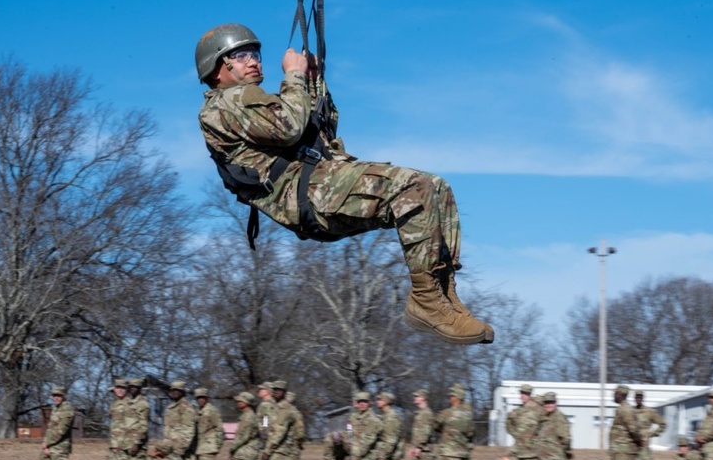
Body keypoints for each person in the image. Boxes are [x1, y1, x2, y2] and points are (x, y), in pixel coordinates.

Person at [195, 24, 493, 346]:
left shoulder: (258, 103)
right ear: (216, 69)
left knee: (437, 188)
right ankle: (426, 302)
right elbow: (290, 128)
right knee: (414, 188)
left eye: (254, 53)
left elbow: (322, 128)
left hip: (323, 183)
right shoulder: (224, 104)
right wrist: (294, 76)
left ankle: (442, 293)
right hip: (307, 196)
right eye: (240, 56)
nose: (253, 61)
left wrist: (312, 81)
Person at [434, 384, 476, 460]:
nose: (449, 398)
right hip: (463, 454)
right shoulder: (468, 415)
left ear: (456, 398)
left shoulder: (446, 413)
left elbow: (435, 426)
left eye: (451, 396)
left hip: (448, 454)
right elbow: (471, 432)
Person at [36, 386, 75, 460]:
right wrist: (45, 444)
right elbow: (50, 429)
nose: (56, 398)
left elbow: (61, 431)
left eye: (59, 396)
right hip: (49, 447)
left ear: (64, 396)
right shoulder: (55, 408)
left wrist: (47, 443)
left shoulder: (67, 409)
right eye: (54, 396)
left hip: (60, 449)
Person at [193, 387, 224, 460]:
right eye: (198, 398)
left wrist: (216, 446)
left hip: (208, 448)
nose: (200, 400)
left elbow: (219, 429)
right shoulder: (198, 411)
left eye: (203, 397)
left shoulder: (211, 410)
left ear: (207, 398)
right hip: (199, 448)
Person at [634, 390, 665, 460]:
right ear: (634, 398)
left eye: (640, 397)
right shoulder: (630, 411)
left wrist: (652, 433)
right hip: (632, 445)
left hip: (644, 445)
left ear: (643, 398)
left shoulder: (649, 412)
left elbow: (662, 424)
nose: (638, 399)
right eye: (637, 397)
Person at [163, 381, 198, 460]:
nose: (175, 392)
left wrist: (178, 451)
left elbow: (188, 432)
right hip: (170, 450)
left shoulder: (186, 408)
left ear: (183, 392)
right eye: (173, 390)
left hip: (182, 453)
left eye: (178, 390)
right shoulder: (170, 407)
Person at [124, 378, 150, 460]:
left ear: (139, 389)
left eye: (135, 387)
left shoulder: (143, 404)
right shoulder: (128, 402)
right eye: (131, 387)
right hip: (126, 444)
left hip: (137, 446)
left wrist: (137, 443)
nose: (133, 389)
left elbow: (143, 426)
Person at [107, 379, 132, 460]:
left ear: (126, 390)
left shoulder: (129, 404)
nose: (120, 390)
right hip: (114, 444)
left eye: (123, 388)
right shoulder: (114, 404)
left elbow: (131, 427)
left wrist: (122, 445)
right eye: (118, 388)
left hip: (123, 445)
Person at [408, 389, 435, 459]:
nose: (415, 398)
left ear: (423, 398)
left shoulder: (426, 413)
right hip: (418, 448)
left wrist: (419, 447)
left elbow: (426, 432)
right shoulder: (419, 413)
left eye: (417, 396)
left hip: (424, 450)